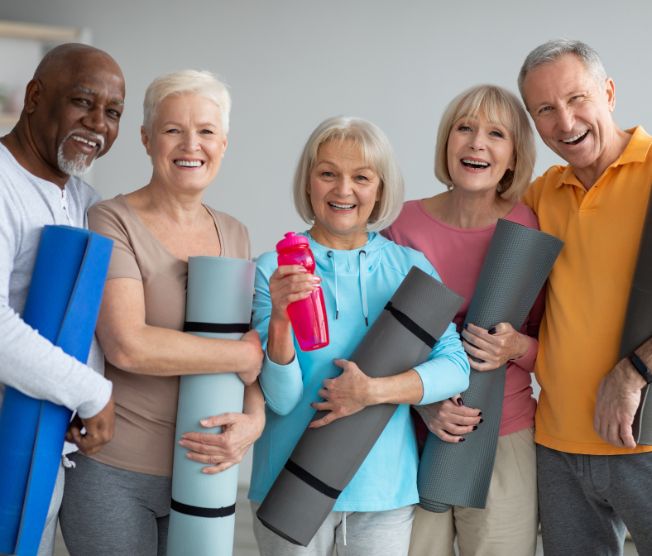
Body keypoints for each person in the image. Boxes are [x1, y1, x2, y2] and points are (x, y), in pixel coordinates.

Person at [59, 70, 265, 555]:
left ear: (224, 144)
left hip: (205, 471)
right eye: (174, 130)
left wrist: (253, 422)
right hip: (114, 470)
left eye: (206, 131)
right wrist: (238, 356)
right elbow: (128, 344)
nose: (191, 144)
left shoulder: (235, 233)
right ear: (147, 139)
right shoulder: (112, 220)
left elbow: (253, 350)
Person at [249, 116, 470, 556]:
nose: (343, 190)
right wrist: (279, 318)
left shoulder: (410, 267)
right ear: (308, 183)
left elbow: (456, 367)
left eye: (361, 177)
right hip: (288, 482)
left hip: (382, 488)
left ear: (380, 189)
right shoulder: (273, 267)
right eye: (328, 173)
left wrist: (373, 391)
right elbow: (280, 399)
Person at [385, 85, 541, 556]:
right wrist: (422, 405)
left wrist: (515, 348)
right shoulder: (402, 225)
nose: (477, 143)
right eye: (465, 128)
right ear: (447, 142)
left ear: (513, 156)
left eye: (496, 133)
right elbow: (381, 341)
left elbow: (547, 343)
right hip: (412, 435)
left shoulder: (529, 227)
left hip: (505, 434)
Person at [518, 39, 652, 554]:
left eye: (577, 99)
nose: (565, 122)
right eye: (545, 110)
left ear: (610, 93)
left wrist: (633, 371)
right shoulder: (540, 194)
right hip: (557, 447)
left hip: (646, 439)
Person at [0, 43, 124, 555]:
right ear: (34, 97)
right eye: (82, 102)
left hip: (43, 446)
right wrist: (91, 393)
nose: (97, 123)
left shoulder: (82, 201)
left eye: (112, 112)